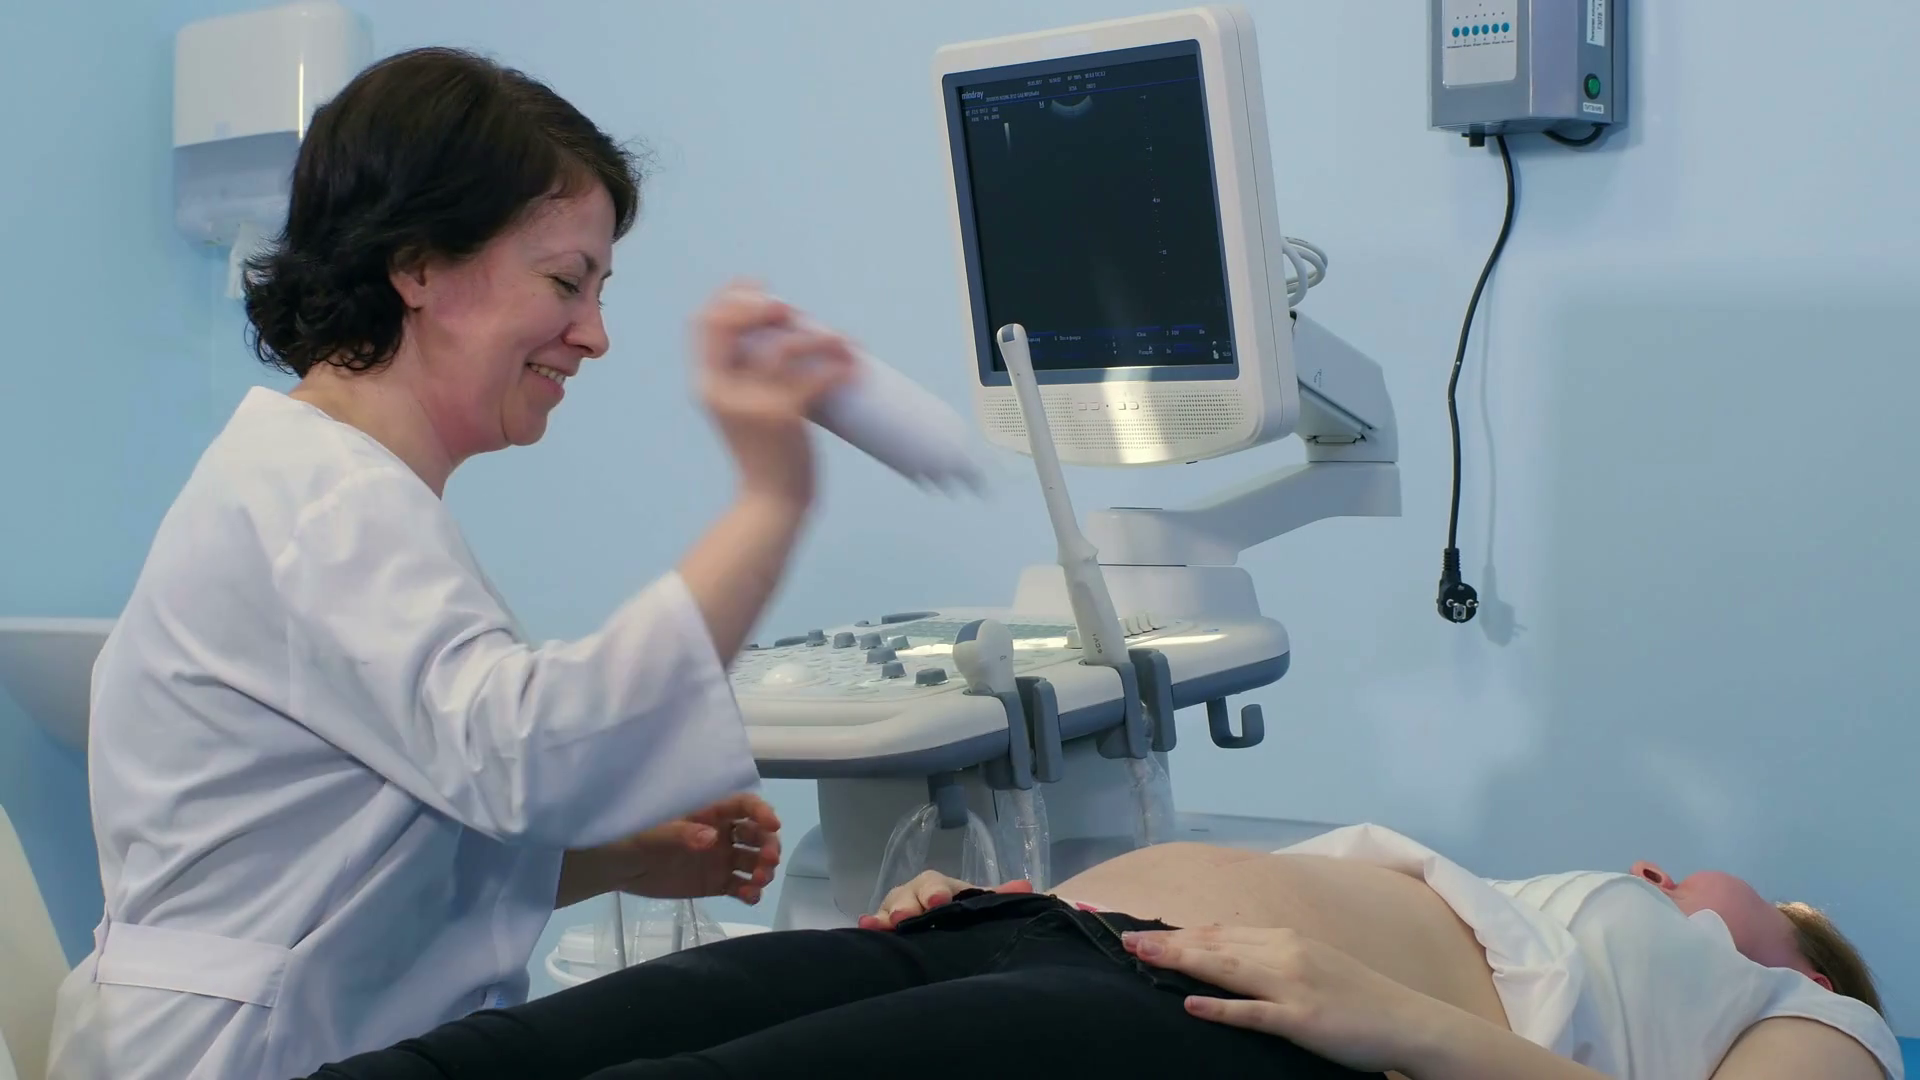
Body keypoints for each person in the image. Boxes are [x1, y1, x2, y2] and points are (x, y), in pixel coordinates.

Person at [46, 46, 853, 1080]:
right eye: (565, 281)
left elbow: (359, 857)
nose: (595, 336)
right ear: (418, 265)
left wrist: (622, 855)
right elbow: (528, 757)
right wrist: (772, 500)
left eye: (600, 290)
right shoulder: (325, 502)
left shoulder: (331, 487)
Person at [293, 824, 1900, 1080]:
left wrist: (1392, 1018)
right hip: (1024, 929)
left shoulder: (1807, 1020)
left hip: (1228, 1027)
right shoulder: (1520, 890)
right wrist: (1009, 897)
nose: (1658, 873)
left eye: (1730, 886)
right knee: (487, 1064)